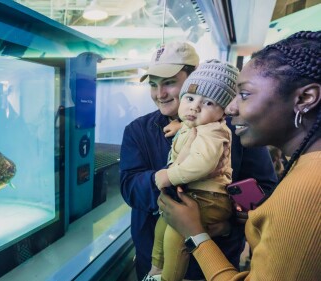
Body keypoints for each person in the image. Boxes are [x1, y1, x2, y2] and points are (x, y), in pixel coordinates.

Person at [157, 31, 321, 280]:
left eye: (243, 95)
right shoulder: (306, 165)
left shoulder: (309, 190)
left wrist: (196, 233)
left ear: (305, 98)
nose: (231, 108)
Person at [119, 41, 278, 281]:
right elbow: (130, 188)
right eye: (153, 85)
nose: (159, 94)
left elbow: (264, 190)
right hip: (153, 260)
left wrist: (228, 224)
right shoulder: (137, 130)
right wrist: (174, 180)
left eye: (169, 83)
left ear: (195, 76)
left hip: (215, 263)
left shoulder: (237, 129)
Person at [148, 60, 239, 281]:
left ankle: (169, 277)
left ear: (223, 111)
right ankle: (156, 270)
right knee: (162, 226)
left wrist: (168, 176)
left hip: (209, 198)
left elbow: (202, 163)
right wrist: (184, 125)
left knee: (175, 235)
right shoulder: (194, 126)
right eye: (189, 99)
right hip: (194, 196)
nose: (195, 107)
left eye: (208, 103)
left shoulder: (214, 132)